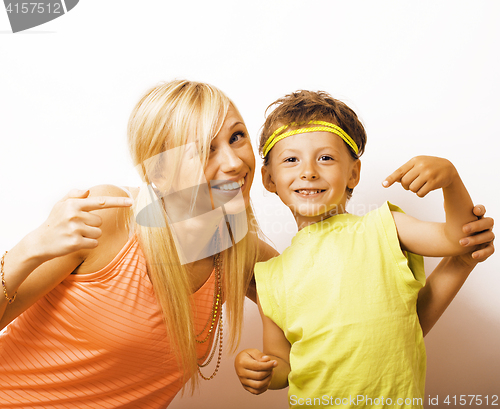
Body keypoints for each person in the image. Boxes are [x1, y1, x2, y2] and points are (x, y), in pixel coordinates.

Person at [0, 82, 493, 409]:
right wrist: (28, 250)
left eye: (236, 138)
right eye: (204, 149)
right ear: (159, 171)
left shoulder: (244, 256)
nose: (235, 163)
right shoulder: (108, 217)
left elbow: (370, 328)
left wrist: (459, 260)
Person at [234, 90, 495, 408]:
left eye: (326, 157)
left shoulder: (384, 227)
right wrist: (260, 369)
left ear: (353, 173)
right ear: (269, 178)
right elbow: (282, 364)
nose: (309, 171)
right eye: (291, 159)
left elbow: (461, 240)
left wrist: (451, 180)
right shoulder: (269, 276)